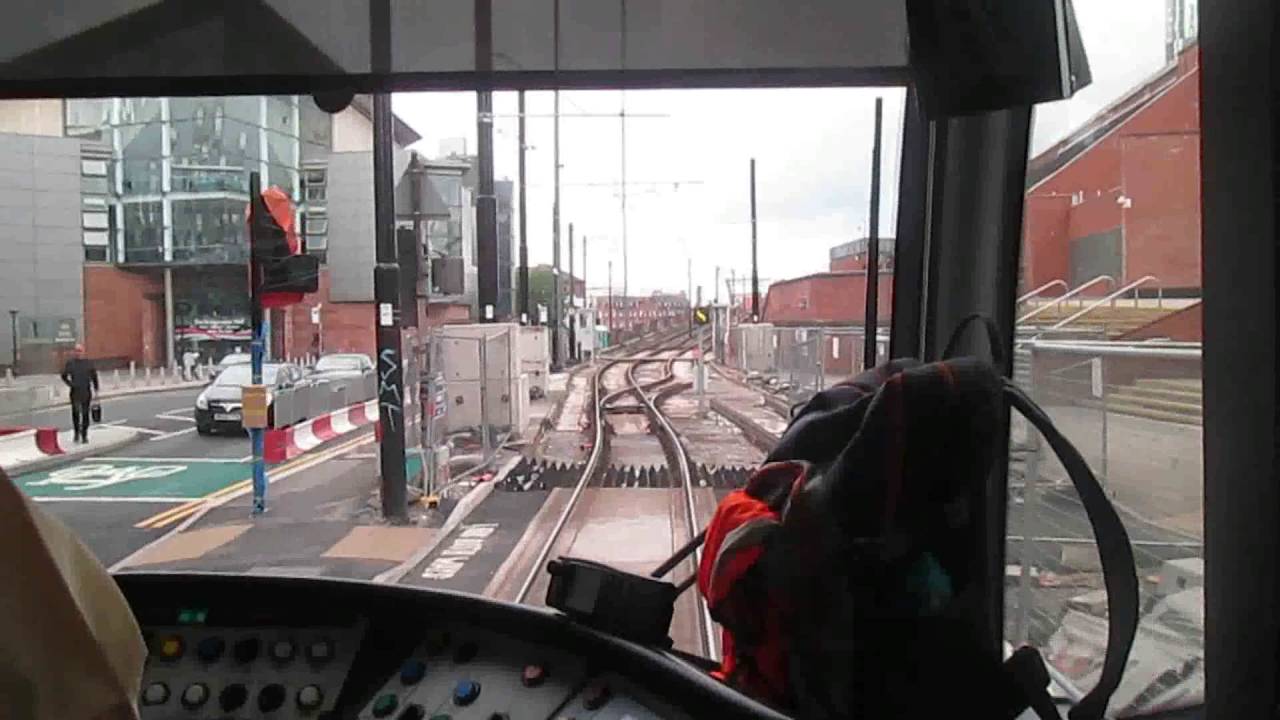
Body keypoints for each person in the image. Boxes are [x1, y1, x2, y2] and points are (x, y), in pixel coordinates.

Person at [60, 345, 99, 444]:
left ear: (83, 352)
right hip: (75, 392)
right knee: (76, 413)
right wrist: (70, 384)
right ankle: (77, 432)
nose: (78, 353)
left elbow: (94, 376)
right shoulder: (71, 363)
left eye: (80, 351)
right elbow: (63, 375)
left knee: (85, 414)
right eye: (76, 351)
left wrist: (96, 390)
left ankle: (84, 434)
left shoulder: (88, 363)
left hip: (86, 391)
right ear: (74, 352)